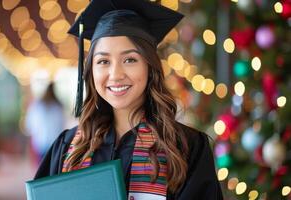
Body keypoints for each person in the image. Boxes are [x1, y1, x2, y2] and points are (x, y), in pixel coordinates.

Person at [34, 0, 223, 199]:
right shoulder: (67, 147)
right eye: (103, 61)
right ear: (91, 72)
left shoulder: (186, 147)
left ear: (150, 67)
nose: (115, 74)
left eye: (130, 59)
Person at [25, 82, 65, 161]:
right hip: (54, 142)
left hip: (41, 142)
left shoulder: (37, 106)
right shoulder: (57, 106)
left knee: (42, 167)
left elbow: (30, 125)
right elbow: (61, 124)